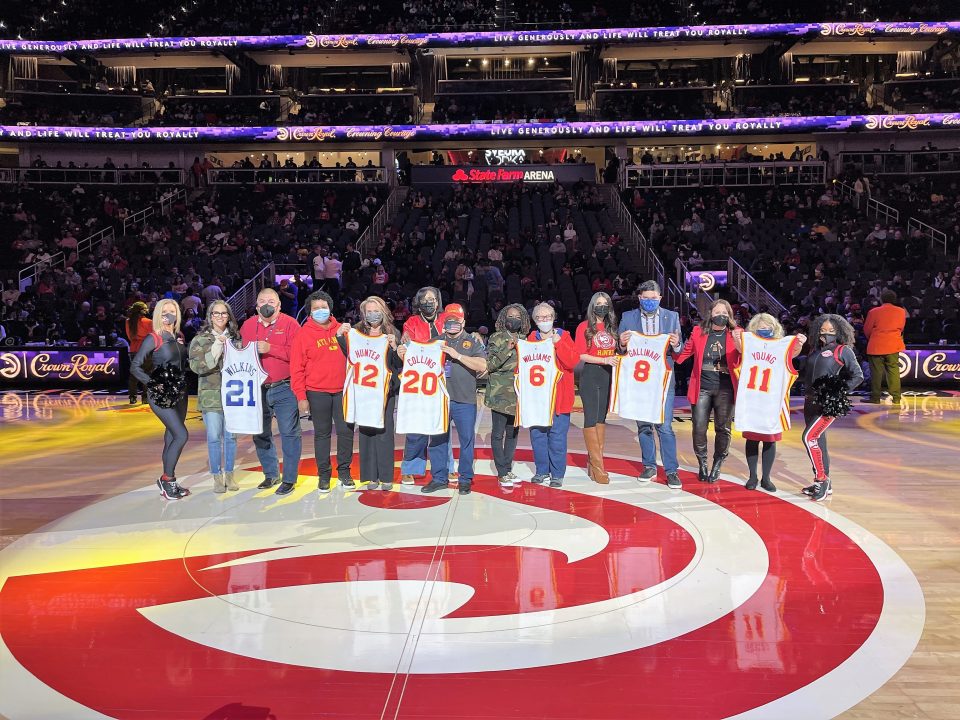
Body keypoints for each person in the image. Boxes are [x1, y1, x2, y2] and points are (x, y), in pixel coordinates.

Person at [618, 281, 683, 488]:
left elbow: (679, 352)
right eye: (645, 298)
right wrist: (621, 343)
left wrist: (677, 344)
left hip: (663, 379)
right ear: (639, 298)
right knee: (644, 425)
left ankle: (671, 470)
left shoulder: (671, 317)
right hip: (639, 380)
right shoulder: (628, 318)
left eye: (653, 298)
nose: (649, 301)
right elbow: (620, 351)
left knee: (664, 426)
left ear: (660, 298)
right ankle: (649, 465)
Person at [239, 288, 302, 496]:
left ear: (279, 305)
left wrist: (270, 348)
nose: (267, 304)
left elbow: (299, 355)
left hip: (284, 387)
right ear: (257, 306)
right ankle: (270, 473)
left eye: (272, 300)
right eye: (263, 300)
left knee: (289, 433)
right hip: (256, 389)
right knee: (260, 432)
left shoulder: (290, 324)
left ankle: (290, 479)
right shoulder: (247, 326)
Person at [291, 290, 355, 493]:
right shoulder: (303, 334)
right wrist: (301, 396)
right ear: (309, 312)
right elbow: (296, 368)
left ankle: (344, 473)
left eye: (323, 307)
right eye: (316, 308)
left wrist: (345, 336)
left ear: (330, 308)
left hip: (343, 390)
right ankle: (324, 475)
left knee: (346, 432)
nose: (320, 311)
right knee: (322, 434)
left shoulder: (343, 330)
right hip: (317, 391)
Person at [733, 313, 805, 492]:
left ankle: (766, 478)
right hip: (752, 401)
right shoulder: (748, 342)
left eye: (768, 326)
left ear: (775, 328)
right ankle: (752, 476)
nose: (764, 329)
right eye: (760, 326)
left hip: (772, 402)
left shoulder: (782, 345)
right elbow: (740, 346)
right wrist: (736, 337)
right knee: (751, 439)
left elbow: (794, 352)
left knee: (770, 440)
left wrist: (799, 344)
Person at [337, 297, 402, 490]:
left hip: (384, 391)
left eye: (376, 310)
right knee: (366, 431)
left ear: (383, 311)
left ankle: (386, 476)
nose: (373, 314)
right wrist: (340, 335)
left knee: (384, 431)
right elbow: (346, 353)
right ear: (363, 314)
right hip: (363, 390)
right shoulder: (357, 332)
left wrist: (395, 348)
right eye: (369, 311)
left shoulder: (392, 333)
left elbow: (399, 365)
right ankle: (370, 476)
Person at [675, 299, 742, 485]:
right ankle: (702, 463)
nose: (721, 315)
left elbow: (747, 356)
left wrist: (740, 343)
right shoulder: (698, 332)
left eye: (724, 312)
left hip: (726, 388)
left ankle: (717, 464)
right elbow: (682, 355)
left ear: (729, 316)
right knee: (699, 427)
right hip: (702, 387)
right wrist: (672, 346)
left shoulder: (737, 334)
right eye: (717, 312)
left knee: (723, 428)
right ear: (710, 314)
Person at [130, 299, 190, 500]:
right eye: (164, 311)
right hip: (161, 395)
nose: (168, 314)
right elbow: (135, 366)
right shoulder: (153, 338)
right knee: (181, 435)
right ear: (158, 314)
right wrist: (153, 383)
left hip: (179, 392)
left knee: (171, 437)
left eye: (172, 311)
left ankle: (168, 482)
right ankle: (167, 478)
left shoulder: (178, 336)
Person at [801, 315, 864, 501]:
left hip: (827, 404)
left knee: (808, 437)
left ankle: (822, 479)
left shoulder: (843, 350)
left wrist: (838, 391)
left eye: (831, 331)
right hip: (809, 401)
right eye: (823, 331)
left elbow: (858, 375)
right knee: (818, 443)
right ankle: (824, 484)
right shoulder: (815, 350)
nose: (826, 334)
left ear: (839, 332)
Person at [431, 304, 487, 495]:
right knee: (437, 440)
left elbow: (481, 365)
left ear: (463, 321)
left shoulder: (472, 342)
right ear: (443, 322)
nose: (452, 324)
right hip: (440, 400)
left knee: (466, 441)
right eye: (449, 320)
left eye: (456, 320)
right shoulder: (436, 341)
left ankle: (465, 479)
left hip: (464, 400)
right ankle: (439, 477)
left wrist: (458, 356)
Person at [188, 300, 240, 493]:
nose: (220, 317)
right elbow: (196, 367)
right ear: (210, 316)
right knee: (213, 438)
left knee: (231, 438)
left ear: (229, 316)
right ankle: (217, 477)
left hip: (234, 395)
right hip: (210, 396)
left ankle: (230, 474)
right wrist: (216, 348)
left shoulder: (235, 338)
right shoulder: (200, 339)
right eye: (216, 313)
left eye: (224, 313)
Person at [527, 303, 579, 487]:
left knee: (557, 437)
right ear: (535, 321)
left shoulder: (564, 337)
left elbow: (572, 361)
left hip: (560, 397)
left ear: (554, 317)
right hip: (537, 399)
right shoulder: (530, 340)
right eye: (540, 318)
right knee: (538, 436)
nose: (544, 320)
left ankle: (557, 473)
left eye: (548, 316)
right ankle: (542, 470)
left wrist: (559, 344)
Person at [399, 286, 445, 485]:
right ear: (419, 302)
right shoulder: (411, 322)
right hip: (419, 379)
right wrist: (403, 346)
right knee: (416, 426)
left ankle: (445, 466)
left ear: (438, 301)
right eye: (425, 299)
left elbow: (459, 337)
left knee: (441, 426)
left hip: (443, 377)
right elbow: (407, 344)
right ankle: (410, 467)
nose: (429, 302)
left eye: (433, 299)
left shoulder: (445, 320)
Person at [575, 292, 618, 484]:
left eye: (605, 303)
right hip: (591, 373)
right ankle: (598, 466)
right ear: (593, 306)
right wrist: (603, 359)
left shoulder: (612, 327)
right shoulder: (584, 327)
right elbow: (580, 354)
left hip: (608, 375)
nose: (602, 307)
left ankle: (595, 462)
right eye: (598, 304)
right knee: (591, 417)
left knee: (602, 418)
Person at [485, 304, 530, 487]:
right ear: (504, 318)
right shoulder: (497, 338)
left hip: (518, 394)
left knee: (512, 433)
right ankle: (501, 471)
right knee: (498, 434)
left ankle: (508, 469)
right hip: (499, 392)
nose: (514, 320)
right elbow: (491, 365)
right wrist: (508, 348)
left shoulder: (526, 339)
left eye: (518, 317)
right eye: (511, 316)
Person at [863, 288, 906, 405]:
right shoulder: (901, 311)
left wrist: (873, 338)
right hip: (893, 345)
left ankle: (875, 397)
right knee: (894, 371)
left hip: (876, 345)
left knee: (876, 372)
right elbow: (901, 328)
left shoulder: (874, 312)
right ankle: (896, 397)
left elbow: (867, 330)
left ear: (881, 299)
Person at [125, 301, 153, 404]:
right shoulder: (149, 322)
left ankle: (132, 397)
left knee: (134, 375)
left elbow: (129, 337)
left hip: (134, 349)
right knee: (147, 373)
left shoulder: (128, 321)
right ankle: (145, 398)